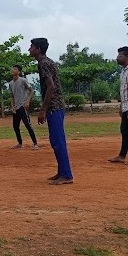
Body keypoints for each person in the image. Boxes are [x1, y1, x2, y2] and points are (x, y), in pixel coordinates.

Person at [31, 38, 73, 185]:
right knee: (56, 140)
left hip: (54, 107)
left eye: (32, 47)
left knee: (58, 141)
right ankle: (62, 172)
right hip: (56, 106)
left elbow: (51, 87)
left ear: (38, 49)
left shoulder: (43, 63)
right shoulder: (47, 61)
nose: (29, 49)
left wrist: (43, 109)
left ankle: (66, 175)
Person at [8, 65, 38, 150]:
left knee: (27, 125)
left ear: (19, 72)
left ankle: (35, 144)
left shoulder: (23, 80)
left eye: (15, 69)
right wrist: (12, 106)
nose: (13, 70)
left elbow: (32, 90)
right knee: (15, 126)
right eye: (13, 68)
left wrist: (28, 100)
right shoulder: (10, 83)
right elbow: (12, 96)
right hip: (16, 108)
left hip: (22, 106)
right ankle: (20, 143)